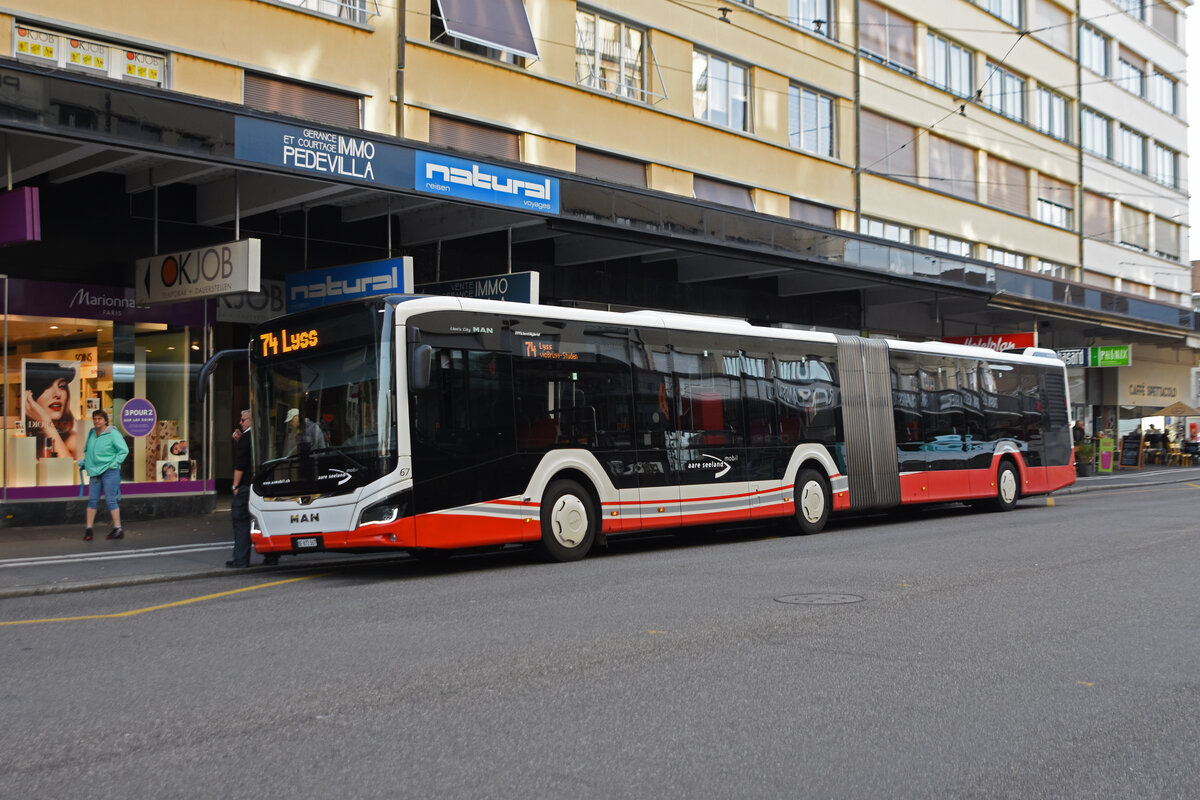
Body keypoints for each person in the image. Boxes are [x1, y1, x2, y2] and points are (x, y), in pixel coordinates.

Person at [229, 409, 277, 568]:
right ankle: (271, 557)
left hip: (247, 486)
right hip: (264, 484)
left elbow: (241, 464)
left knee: (240, 519)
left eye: (243, 420)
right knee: (264, 520)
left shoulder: (246, 438)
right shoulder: (263, 436)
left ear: (251, 421)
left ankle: (240, 559)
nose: (240, 423)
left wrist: (235, 485)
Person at [79, 410, 129, 542]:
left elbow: (124, 450)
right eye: (95, 419)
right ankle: (88, 529)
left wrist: (113, 463)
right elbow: (88, 450)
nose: (96, 421)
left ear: (105, 420)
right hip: (94, 472)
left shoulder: (113, 434)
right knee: (92, 500)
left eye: (99, 419)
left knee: (110, 499)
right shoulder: (92, 433)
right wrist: (86, 462)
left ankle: (118, 528)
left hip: (109, 471)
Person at [24, 362, 82, 462]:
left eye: (62, 386)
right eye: (47, 387)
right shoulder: (23, 441)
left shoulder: (74, 441)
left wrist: (46, 423)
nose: (58, 394)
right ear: (29, 396)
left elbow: (66, 473)